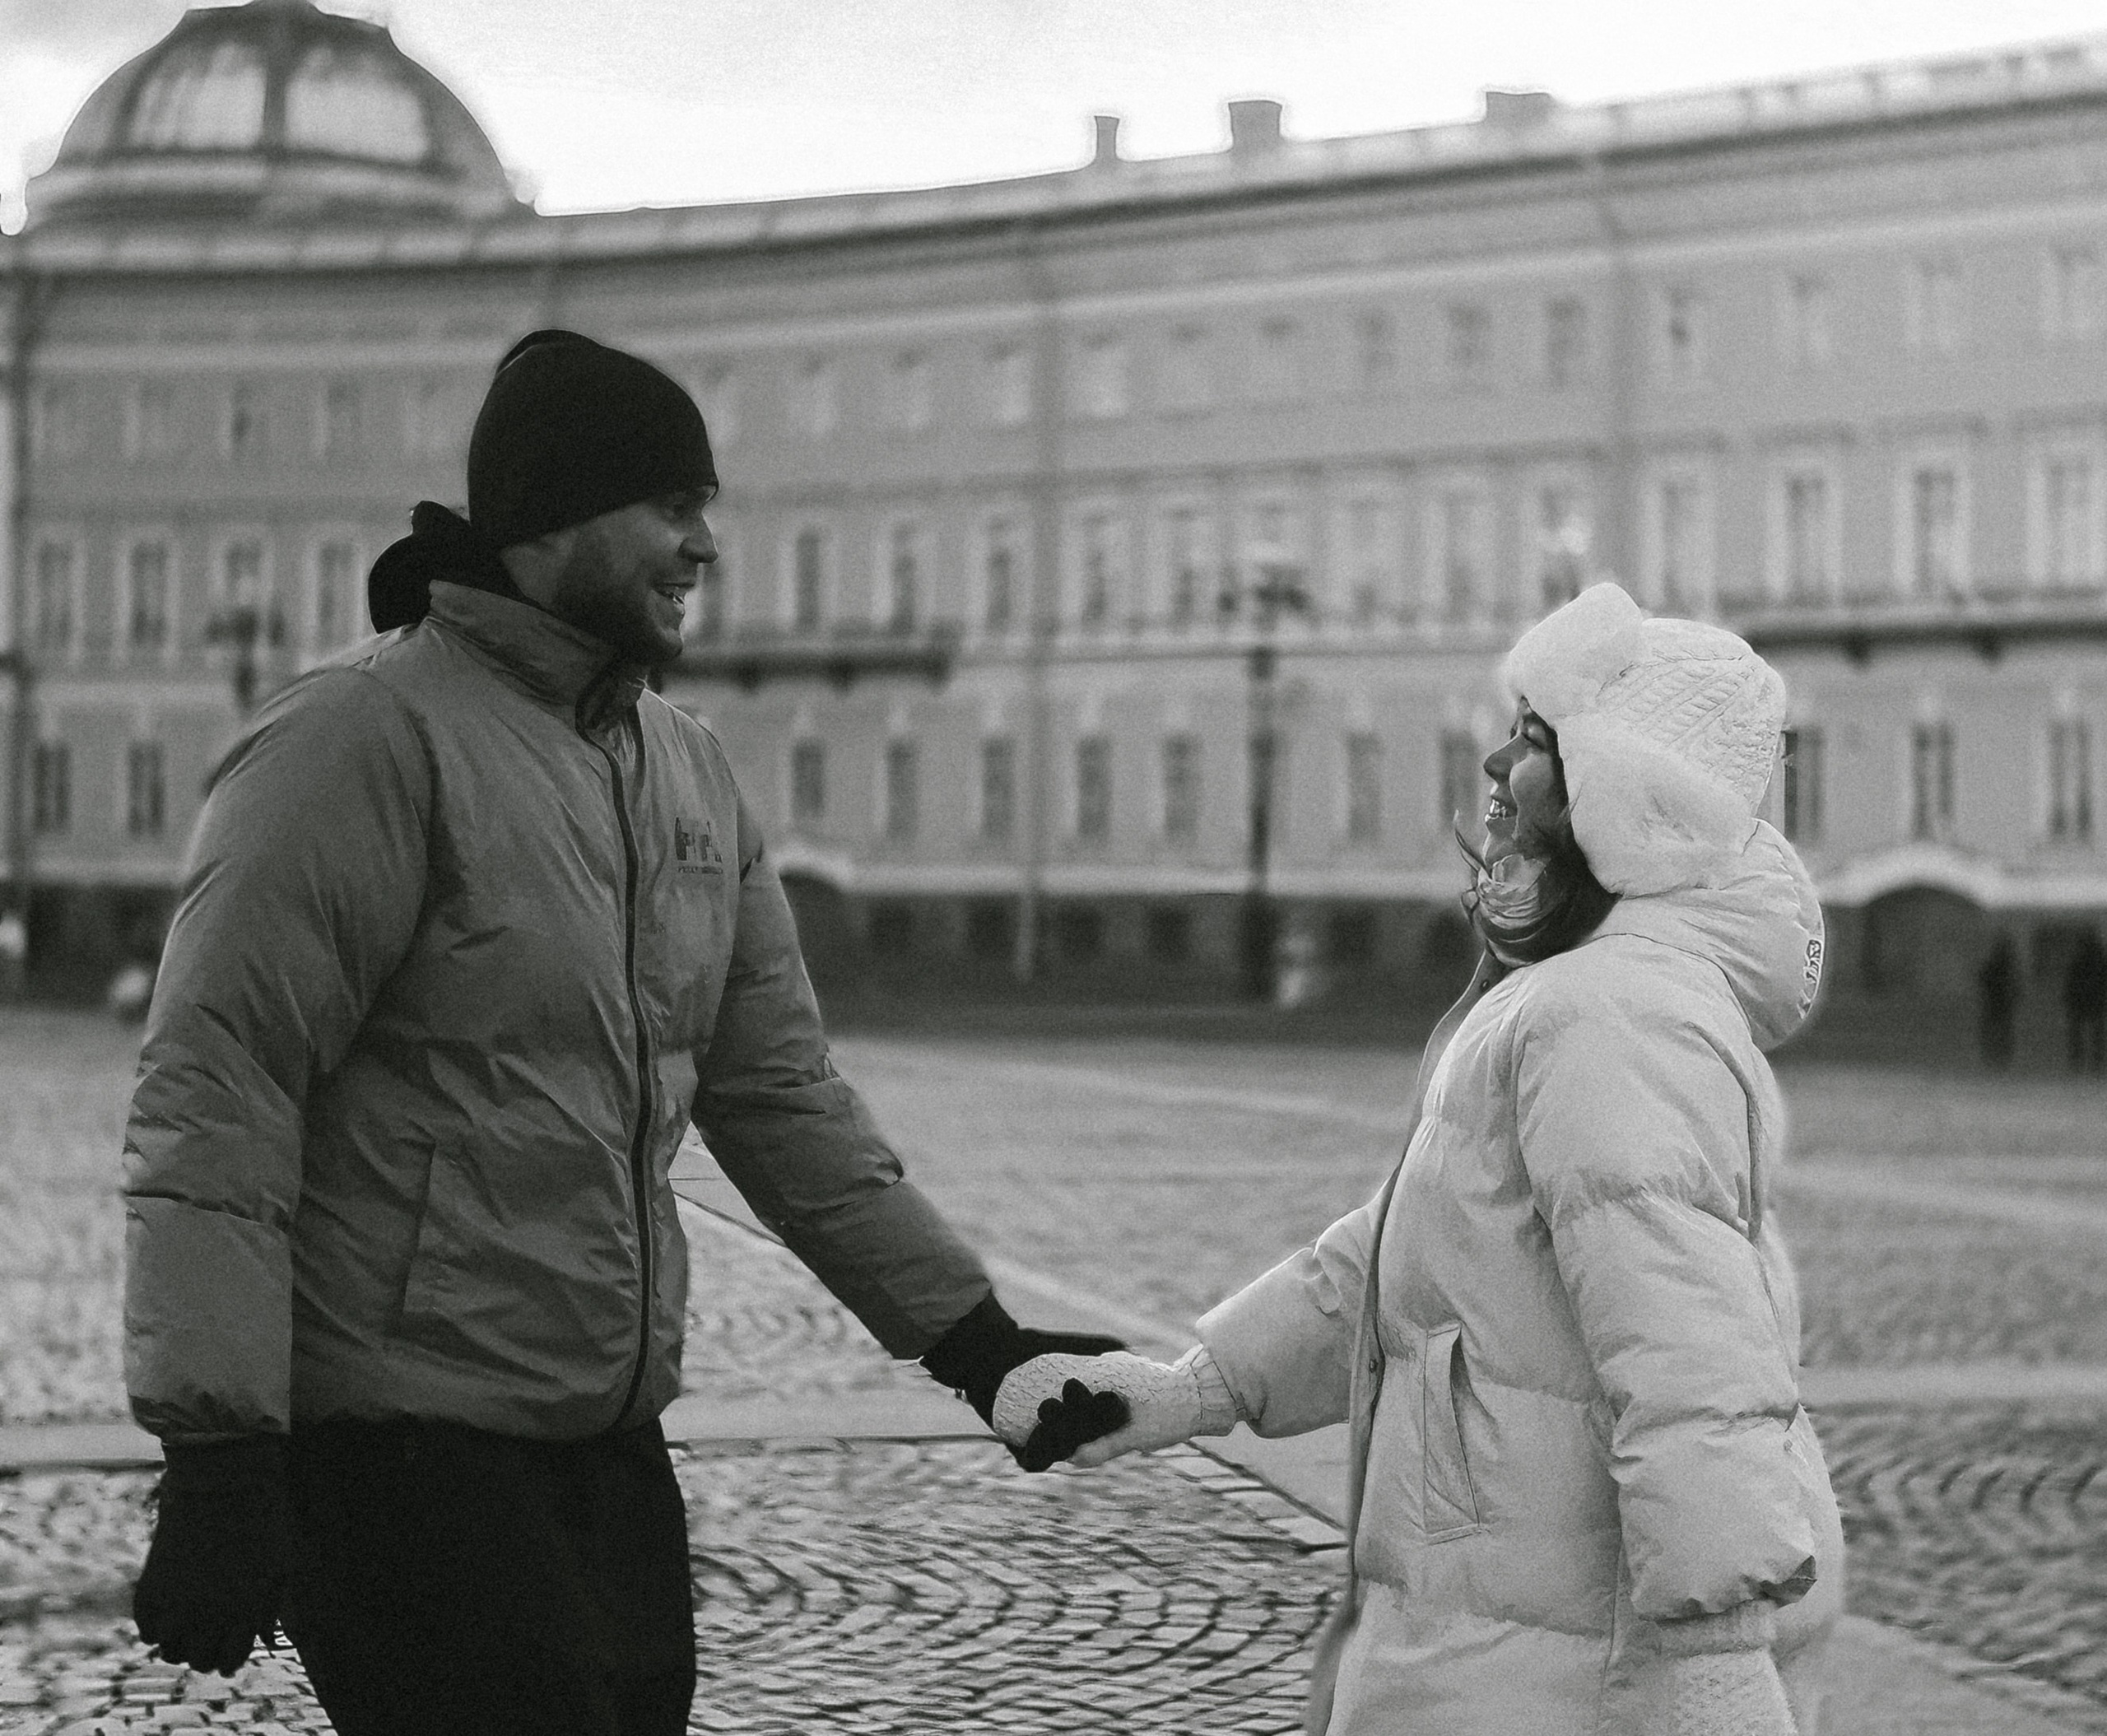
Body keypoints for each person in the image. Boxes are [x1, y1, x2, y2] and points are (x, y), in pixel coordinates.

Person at [121, 330, 1123, 1736]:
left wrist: (980, 1343)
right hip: (403, 1453)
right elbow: (219, 1090)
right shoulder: (361, 738)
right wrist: (219, 1448)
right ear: (553, 516)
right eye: (672, 504)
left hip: (604, 1441)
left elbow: (780, 1094)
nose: (704, 543)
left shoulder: (684, 766)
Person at [1002, 583, 1844, 1735]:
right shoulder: (1575, 1001)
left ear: (1628, 798)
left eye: (1539, 741)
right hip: (1500, 1634)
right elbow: (1423, 1250)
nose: (1498, 764)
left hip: (1555, 1672)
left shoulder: (1616, 1015)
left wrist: (1719, 1659)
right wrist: (1198, 1387)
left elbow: (1694, 1361)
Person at [2065, 927, 2107, 1075]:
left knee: (2079, 1032)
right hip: (2095, 1000)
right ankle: (2096, 1062)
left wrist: (2070, 999)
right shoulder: (2100, 958)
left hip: (2082, 1001)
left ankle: (2079, 1061)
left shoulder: (2079, 959)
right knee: (2096, 1033)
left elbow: (2072, 981)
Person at [1977, 936, 2018, 1070]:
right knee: (2002, 1030)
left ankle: (1992, 1056)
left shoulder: (1994, 965)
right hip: (2002, 1002)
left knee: (1993, 1030)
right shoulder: (2008, 967)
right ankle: (2000, 1057)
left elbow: (1982, 979)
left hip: (1994, 1001)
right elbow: (2015, 985)